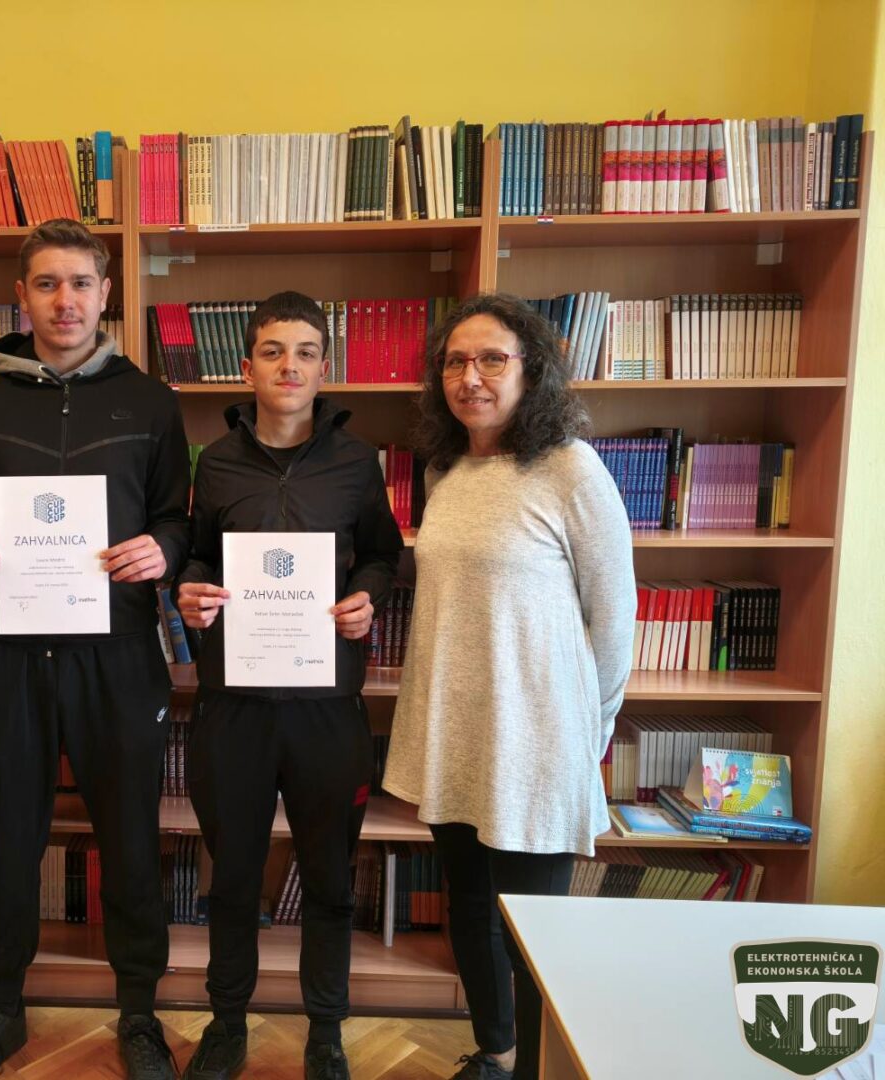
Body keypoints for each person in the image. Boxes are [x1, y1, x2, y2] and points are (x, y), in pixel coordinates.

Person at [0, 219, 191, 1080]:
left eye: (80, 283)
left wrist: (164, 550)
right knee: (8, 837)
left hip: (118, 652)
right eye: (46, 283)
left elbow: (177, 517)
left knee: (130, 835)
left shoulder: (149, 402)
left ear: (105, 293)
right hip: (7, 652)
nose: (65, 300)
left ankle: (140, 1012)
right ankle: (2, 1007)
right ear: (22, 296)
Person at [382, 293, 635, 1080]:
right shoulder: (444, 469)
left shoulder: (571, 468)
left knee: (533, 933)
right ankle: (496, 1052)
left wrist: (587, 731)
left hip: (539, 739)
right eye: (455, 361)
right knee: (468, 908)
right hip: (454, 730)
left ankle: (538, 1070)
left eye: (492, 358)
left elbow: (614, 612)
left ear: (533, 370)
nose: (471, 377)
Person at [173, 290, 404, 1080]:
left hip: (327, 709)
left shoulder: (356, 462)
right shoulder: (216, 462)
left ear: (323, 367)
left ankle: (326, 1031)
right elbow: (198, 554)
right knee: (233, 878)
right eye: (273, 351)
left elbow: (384, 554)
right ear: (248, 366)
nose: (290, 366)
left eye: (305, 352)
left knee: (331, 880)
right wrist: (190, 590)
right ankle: (226, 1022)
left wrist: (366, 595)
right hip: (232, 707)